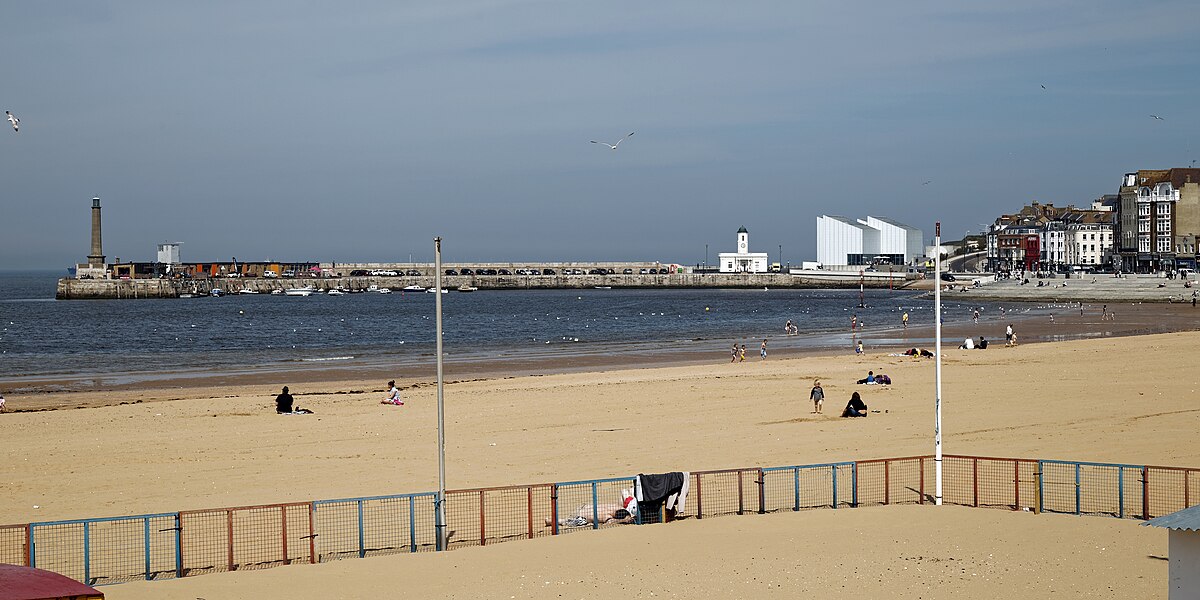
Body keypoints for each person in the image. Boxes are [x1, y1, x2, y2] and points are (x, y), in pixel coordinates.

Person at [546, 490, 637, 528]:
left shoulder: (615, 506)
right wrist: (622, 520)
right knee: (564, 521)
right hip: (581, 517)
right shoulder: (607, 516)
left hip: (585, 507)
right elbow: (609, 523)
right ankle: (550, 521)